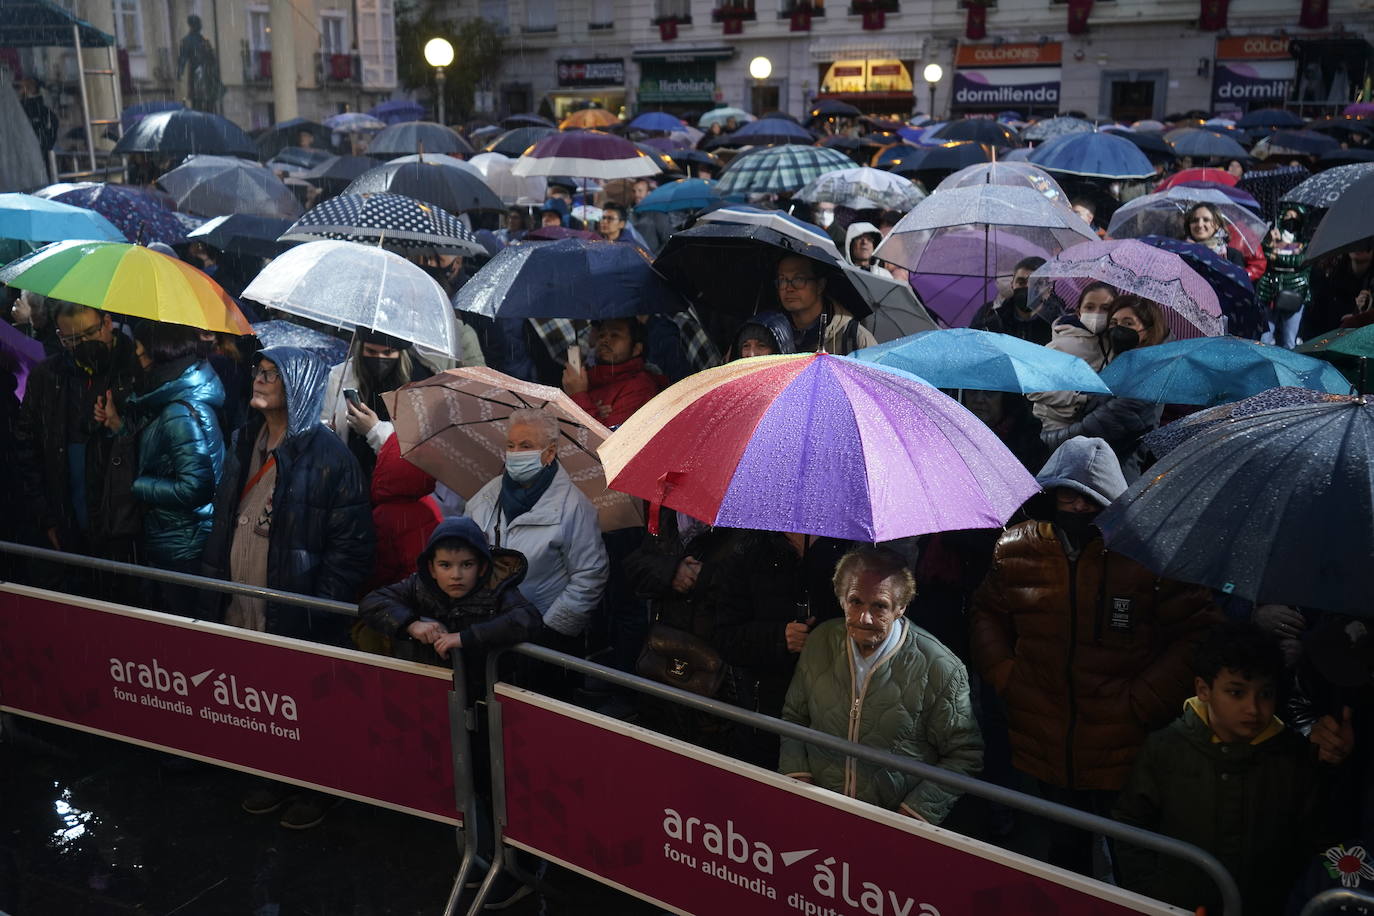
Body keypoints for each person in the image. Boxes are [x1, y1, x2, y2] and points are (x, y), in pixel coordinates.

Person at [970, 437, 1220, 875]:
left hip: (1123, 744)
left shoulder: (1149, 553)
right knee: (1063, 857)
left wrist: (1141, 701)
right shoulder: (1014, 548)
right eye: (1067, 495)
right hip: (1043, 735)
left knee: (1131, 862)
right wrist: (1008, 677)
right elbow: (987, 613)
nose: (1078, 508)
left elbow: (1197, 632)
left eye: (1090, 498)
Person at [1113, 621, 1331, 915]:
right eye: (1236, 693)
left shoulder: (1291, 755)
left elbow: (1311, 837)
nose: (1253, 709)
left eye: (1265, 694)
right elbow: (1131, 825)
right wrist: (1152, 893)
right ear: (1203, 689)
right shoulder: (1167, 748)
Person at [779, 546, 983, 824]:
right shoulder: (820, 641)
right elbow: (793, 718)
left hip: (892, 823)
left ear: (901, 607)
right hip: (820, 809)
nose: (865, 617)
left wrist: (913, 814)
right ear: (841, 600)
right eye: (855, 602)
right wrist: (797, 776)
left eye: (879, 606)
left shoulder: (941, 667)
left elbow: (964, 754)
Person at [94, 322, 225, 608]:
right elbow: (157, 453)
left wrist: (139, 485)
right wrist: (118, 425)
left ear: (161, 353)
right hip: (170, 539)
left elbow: (197, 487)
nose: (137, 361)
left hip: (181, 546)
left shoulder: (179, 413)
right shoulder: (168, 402)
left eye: (140, 354)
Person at [15, 303, 144, 580]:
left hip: (122, 529)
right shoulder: (47, 376)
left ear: (107, 323)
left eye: (89, 334)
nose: (83, 344)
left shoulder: (136, 370)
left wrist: (119, 427)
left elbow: (150, 451)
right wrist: (46, 518)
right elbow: (26, 448)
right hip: (64, 521)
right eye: (72, 339)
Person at [465, 408, 608, 645]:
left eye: (525, 446)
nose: (515, 453)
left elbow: (590, 575)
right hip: (487, 628)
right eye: (510, 445)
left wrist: (549, 628)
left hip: (542, 637)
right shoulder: (486, 496)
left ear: (549, 452)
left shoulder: (573, 506)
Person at [1040, 296, 1169, 480]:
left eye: (1128, 323)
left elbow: (1104, 425)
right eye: (1114, 322)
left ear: (1147, 331)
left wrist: (1050, 440)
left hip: (1116, 476)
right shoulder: (1120, 366)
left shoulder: (1149, 375)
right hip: (1094, 468)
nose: (1118, 328)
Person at [321, 329, 434, 479]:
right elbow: (325, 419)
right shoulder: (340, 376)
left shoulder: (418, 383)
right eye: (371, 351)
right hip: (348, 477)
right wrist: (328, 431)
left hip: (392, 483)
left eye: (387, 353)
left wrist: (373, 429)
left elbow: (414, 449)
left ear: (400, 354)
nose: (379, 359)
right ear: (361, 348)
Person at [1028, 282, 1115, 430]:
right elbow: (1033, 388)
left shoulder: (1113, 344)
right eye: (1090, 307)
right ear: (1079, 312)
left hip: (1089, 426)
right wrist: (1080, 397)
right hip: (1053, 426)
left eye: (1105, 308)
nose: (1097, 313)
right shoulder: (1061, 344)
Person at [561, 317, 662, 428]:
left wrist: (578, 395)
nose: (605, 340)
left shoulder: (640, 387)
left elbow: (613, 441)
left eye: (615, 335)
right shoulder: (587, 379)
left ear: (636, 349)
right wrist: (591, 407)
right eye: (601, 335)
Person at [773, 254, 876, 355]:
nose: (789, 288)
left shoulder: (856, 339)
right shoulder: (769, 333)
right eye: (782, 280)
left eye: (799, 279)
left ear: (820, 285)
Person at [1256, 206, 1312, 348]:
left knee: (1289, 339)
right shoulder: (1272, 237)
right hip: (1269, 290)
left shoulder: (1305, 240)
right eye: (1288, 216)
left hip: (1294, 291)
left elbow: (1301, 261)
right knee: (1264, 338)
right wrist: (1270, 244)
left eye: (1296, 217)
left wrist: (1277, 256)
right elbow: (1263, 257)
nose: (1291, 220)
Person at [970, 256, 1053, 345]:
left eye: (1037, 283)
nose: (1028, 288)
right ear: (1012, 284)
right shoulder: (989, 315)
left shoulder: (1058, 325)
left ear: (1048, 288)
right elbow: (972, 346)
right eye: (1021, 282)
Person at [1182, 202, 1246, 271]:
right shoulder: (1180, 251)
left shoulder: (1232, 255)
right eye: (1194, 220)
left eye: (1206, 220)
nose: (1200, 225)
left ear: (1217, 224)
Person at [731, 311, 795, 360]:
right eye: (746, 346)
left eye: (761, 346)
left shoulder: (797, 376)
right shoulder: (732, 377)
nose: (752, 354)